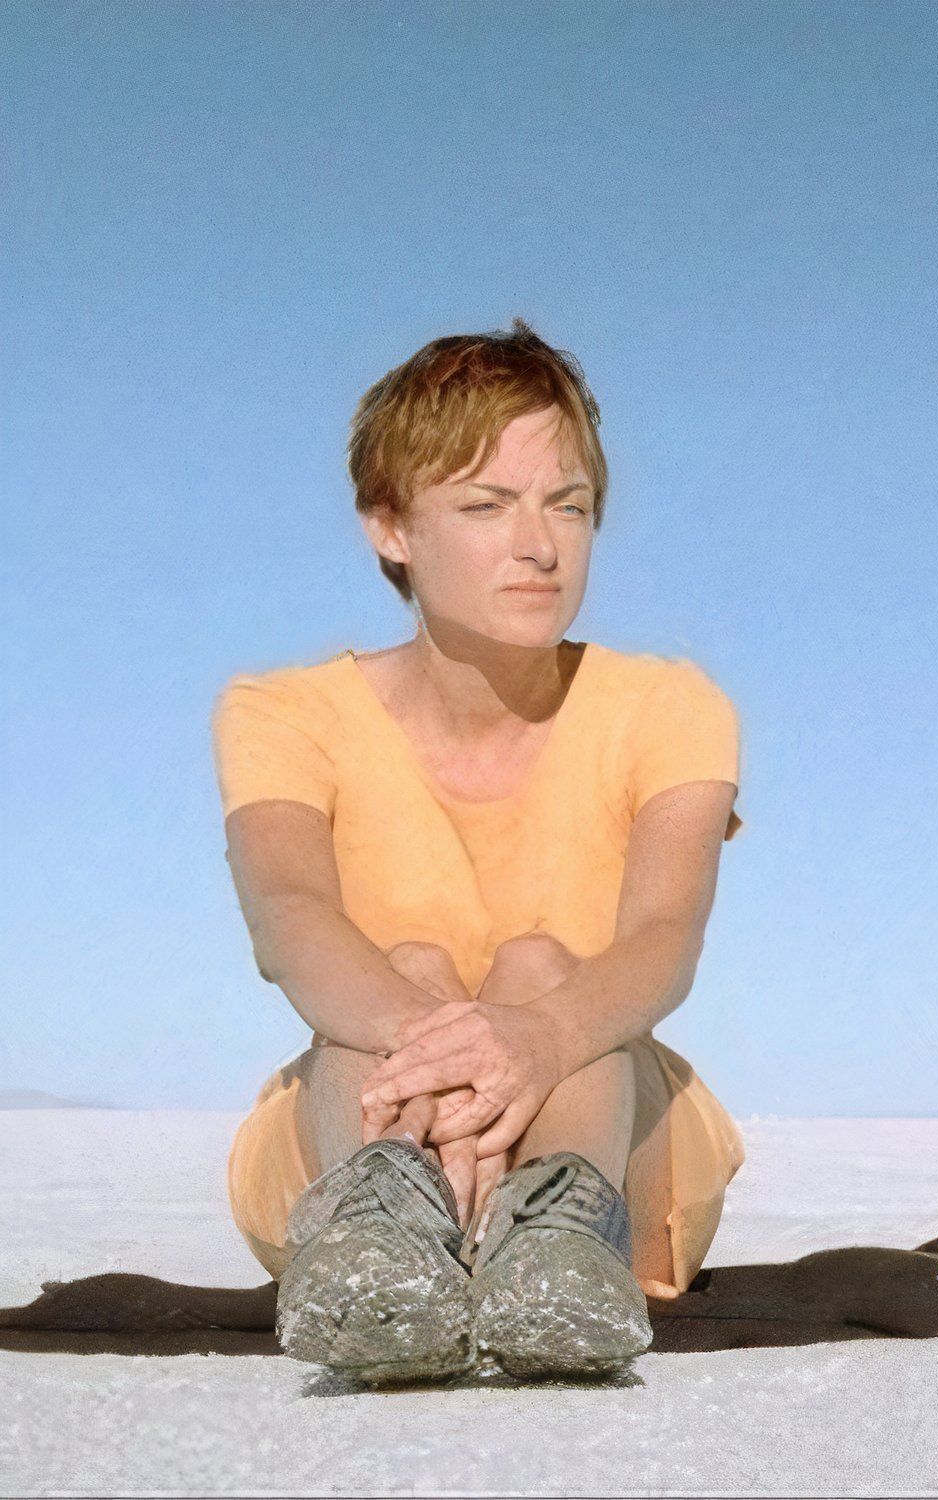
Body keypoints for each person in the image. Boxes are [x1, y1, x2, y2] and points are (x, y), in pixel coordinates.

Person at [214, 321, 745, 1382]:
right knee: (395, 968)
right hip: (361, 1112)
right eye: (485, 505)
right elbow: (292, 921)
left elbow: (662, 942)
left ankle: (557, 1244)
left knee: (548, 969)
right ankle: (381, 1231)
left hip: (614, 1133)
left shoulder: (670, 709)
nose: (540, 546)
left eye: (568, 504)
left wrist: (537, 1041)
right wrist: (454, 1061)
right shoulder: (279, 713)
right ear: (389, 526)